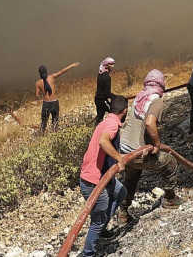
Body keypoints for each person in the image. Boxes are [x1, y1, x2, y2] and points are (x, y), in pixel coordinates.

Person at [117, 70, 181, 224]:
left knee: (131, 179)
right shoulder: (156, 100)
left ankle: (123, 213)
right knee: (170, 162)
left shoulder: (139, 97)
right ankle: (170, 199)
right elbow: (149, 123)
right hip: (138, 153)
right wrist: (157, 145)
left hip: (124, 152)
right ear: (161, 84)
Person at [78, 95, 129, 256]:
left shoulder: (107, 121)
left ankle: (101, 229)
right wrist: (119, 158)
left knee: (120, 192)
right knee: (98, 220)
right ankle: (88, 252)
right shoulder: (112, 124)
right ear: (125, 111)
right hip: (94, 181)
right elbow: (103, 141)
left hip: (103, 176)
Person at [34, 62, 80, 133]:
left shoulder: (37, 83)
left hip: (46, 104)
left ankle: (42, 136)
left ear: (39, 73)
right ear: (46, 71)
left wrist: (43, 93)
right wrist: (71, 65)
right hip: (55, 103)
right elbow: (62, 71)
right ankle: (55, 134)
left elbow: (37, 96)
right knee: (55, 121)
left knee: (44, 122)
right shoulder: (51, 77)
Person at [95, 57, 116, 123]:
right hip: (102, 101)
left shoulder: (100, 74)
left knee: (99, 118)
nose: (113, 66)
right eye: (111, 64)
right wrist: (116, 97)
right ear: (107, 65)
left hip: (97, 99)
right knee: (114, 113)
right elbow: (107, 93)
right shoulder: (107, 77)